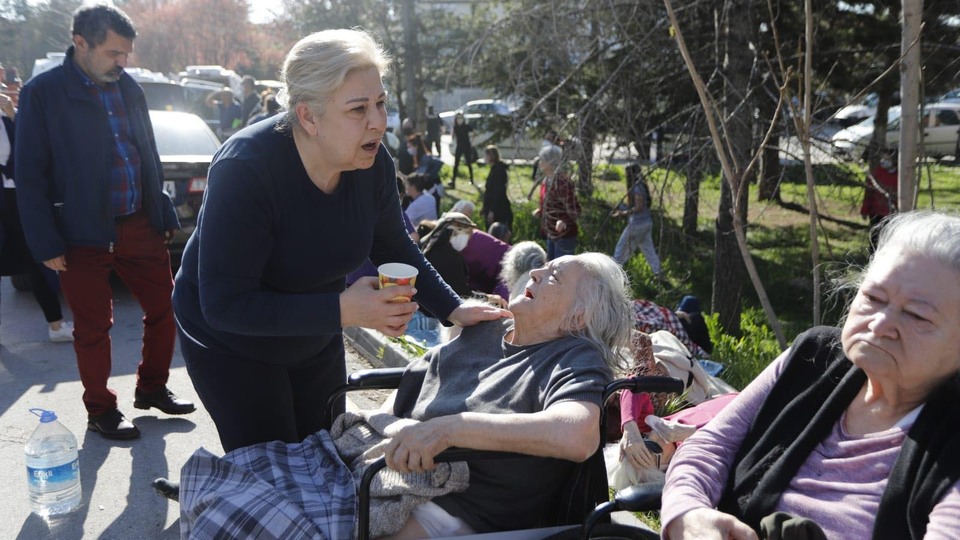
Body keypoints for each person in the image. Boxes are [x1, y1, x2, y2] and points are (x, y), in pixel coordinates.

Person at [172, 29, 507, 454]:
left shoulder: (372, 162)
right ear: (308, 117)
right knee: (273, 472)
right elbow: (223, 305)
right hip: (232, 342)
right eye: (359, 109)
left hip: (316, 331)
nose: (378, 122)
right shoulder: (246, 169)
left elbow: (393, 246)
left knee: (324, 458)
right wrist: (344, 309)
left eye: (381, 103)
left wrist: (453, 307)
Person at [179, 252, 634, 538]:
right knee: (226, 475)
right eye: (545, 265)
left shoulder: (572, 357)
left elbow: (577, 436)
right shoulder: (489, 325)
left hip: (451, 499)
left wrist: (451, 429)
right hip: (387, 458)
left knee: (246, 516)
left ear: (578, 317)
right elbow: (423, 377)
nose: (536, 270)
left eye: (554, 277)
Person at [662, 210, 960, 539]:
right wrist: (687, 513)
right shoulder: (813, 357)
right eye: (873, 298)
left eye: (917, 316)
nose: (879, 324)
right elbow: (712, 444)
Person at [15, 4, 193, 441]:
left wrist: (162, 211)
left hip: (138, 224)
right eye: (114, 53)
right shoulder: (43, 93)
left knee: (167, 307)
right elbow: (30, 173)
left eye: (126, 53)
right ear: (81, 43)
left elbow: (146, 153)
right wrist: (45, 242)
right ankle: (100, 409)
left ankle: (152, 388)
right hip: (79, 233)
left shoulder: (128, 88)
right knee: (94, 329)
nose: (123, 62)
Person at [0, 91, 74, 342]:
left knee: (36, 260)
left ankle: (55, 325)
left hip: (17, 197)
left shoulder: (11, 115)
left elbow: (36, 145)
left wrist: (13, 114)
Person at [613, 163, 661, 277]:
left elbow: (638, 207)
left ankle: (613, 272)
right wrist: (622, 207)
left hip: (637, 224)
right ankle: (658, 273)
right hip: (646, 222)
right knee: (649, 251)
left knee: (620, 249)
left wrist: (623, 213)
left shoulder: (637, 187)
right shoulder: (641, 185)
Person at [534, 144, 580, 260]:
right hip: (551, 233)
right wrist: (541, 211)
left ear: (550, 162)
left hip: (564, 236)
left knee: (562, 272)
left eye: (542, 160)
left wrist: (564, 221)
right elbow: (550, 203)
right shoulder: (546, 180)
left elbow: (576, 210)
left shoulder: (563, 182)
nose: (540, 163)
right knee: (551, 268)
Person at [861, 148, 897, 251]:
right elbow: (868, 194)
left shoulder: (901, 176)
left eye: (887, 159)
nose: (883, 161)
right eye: (882, 159)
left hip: (892, 212)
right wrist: (865, 210)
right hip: (876, 212)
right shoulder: (877, 173)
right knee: (875, 238)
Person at [482, 145, 512, 231]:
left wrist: (492, 211)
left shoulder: (499, 171)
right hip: (492, 207)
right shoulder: (494, 169)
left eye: (486, 155)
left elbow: (498, 193)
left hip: (499, 210)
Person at [449, 112, 475, 189]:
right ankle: (453, 181)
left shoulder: (466, 126)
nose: (459, 120)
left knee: (469, 163)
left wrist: (472, 141)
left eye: (461, 118)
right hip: (459, 146)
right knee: (456, 164)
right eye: (458, 118)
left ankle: (472, 179)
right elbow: (453, 136)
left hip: (467, 146)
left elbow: (474, 132)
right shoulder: (455, 127)